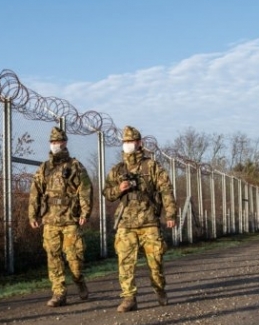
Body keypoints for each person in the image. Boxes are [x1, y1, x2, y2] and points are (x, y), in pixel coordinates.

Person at [103, 125, 177, 312]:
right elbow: (107, 192)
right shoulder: (118, 169)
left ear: (139, 143)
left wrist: (171, 214)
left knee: (155, 262)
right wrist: (119, 189)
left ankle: (159, 289)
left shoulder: (151, 166)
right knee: (125, 261)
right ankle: (129, 298)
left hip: (149, 220)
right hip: (126, 222)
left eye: (131, 141)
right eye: (125, 142)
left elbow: (166, 189)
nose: (128, 145)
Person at [28, 126, 93, 307]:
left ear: (65, 143)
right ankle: (59, 293)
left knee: (74, 259)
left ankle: (79, 281)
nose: (56, 145)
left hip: (70, 219)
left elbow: (85, 190)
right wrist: (33, 215)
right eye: (53, 142)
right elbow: (35, 192)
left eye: (59, 142)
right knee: (53, 257)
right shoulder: (44, 168)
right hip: (50, 220)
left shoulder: (75, 166)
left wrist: (85, 212)